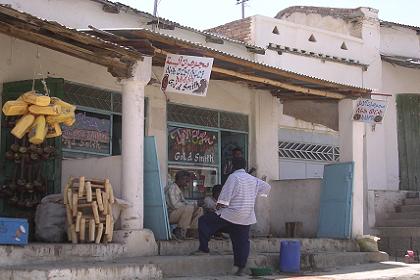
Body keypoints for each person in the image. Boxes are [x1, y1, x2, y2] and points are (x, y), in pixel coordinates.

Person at [193, 157, 271, 276]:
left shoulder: (233, 177)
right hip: (246, 216)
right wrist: (256, 194)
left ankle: (204, 248)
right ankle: (240, 267)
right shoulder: (253, 179)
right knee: (241, 241)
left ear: (233, 166)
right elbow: (267, 187)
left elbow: (225, 197)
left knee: (204, 221)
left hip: (231, 214)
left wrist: (219, 206)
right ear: (244, 167)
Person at [165, 170, 203, 239]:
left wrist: (196, 204)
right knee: (189, 208)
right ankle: (180, 231)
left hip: (176, 212)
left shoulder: (179, 189)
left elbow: (184, 202)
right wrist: (191, 205)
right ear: (181, 179)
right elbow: (174, 205)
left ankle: (192, 231)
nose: (187, 184)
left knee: (199, 209)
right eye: (186, 181)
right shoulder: (172, 188)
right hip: (169, 214)